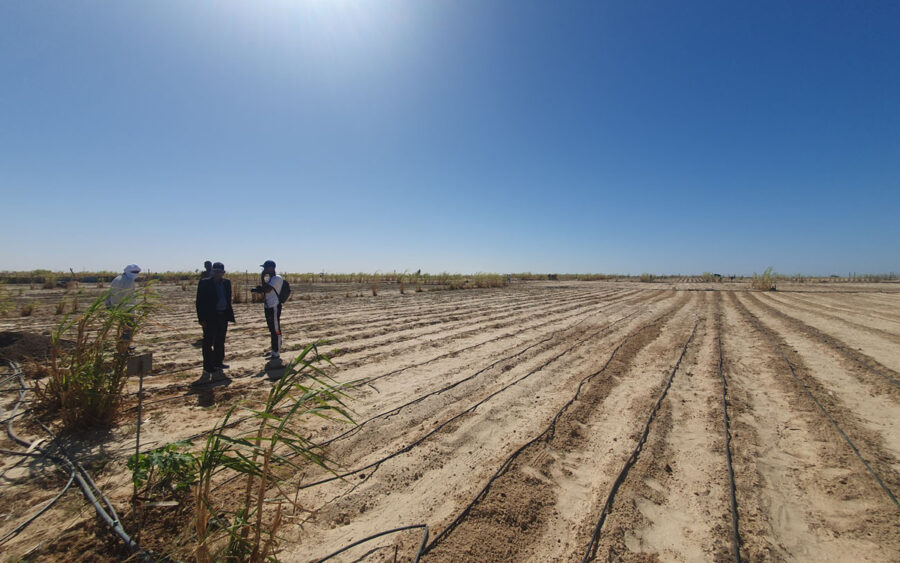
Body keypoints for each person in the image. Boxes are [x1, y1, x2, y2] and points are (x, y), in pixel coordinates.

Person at [195, 262, 235, 383]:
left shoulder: (226, 283)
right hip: (210, 317)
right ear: (213, 271)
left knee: (220, 340)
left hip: (222, 316)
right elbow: (199, 301)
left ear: (223, 272)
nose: (217, 273)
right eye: (215, 271)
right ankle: (208, 366)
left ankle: (218, 362)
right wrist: (201, 319)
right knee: (208, 342)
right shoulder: (205, 282)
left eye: (220, 271)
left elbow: (228, 299)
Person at [106, 264, 141, 349]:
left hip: (117, 308)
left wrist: (109, 305)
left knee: (124, 328)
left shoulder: (117, 279)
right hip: (127, 310)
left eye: (137, 272)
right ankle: (124, 348)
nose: (136, 274)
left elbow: (110, 293)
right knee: (128, 329)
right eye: (134, 272)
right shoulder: (129, 281)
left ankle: (122, 346)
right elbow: (128, 298)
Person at [259, 260, 284, 360]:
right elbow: (266, 289)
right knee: (272, 330)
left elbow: (268, 289)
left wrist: (262, 277)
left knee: (276, 330)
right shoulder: (270, 278)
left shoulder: (277, 278)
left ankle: (276, 352)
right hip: (268, 306)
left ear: (272, 268)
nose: (264, 270)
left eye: (265, 267)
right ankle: (274, 349)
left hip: (274, 306)